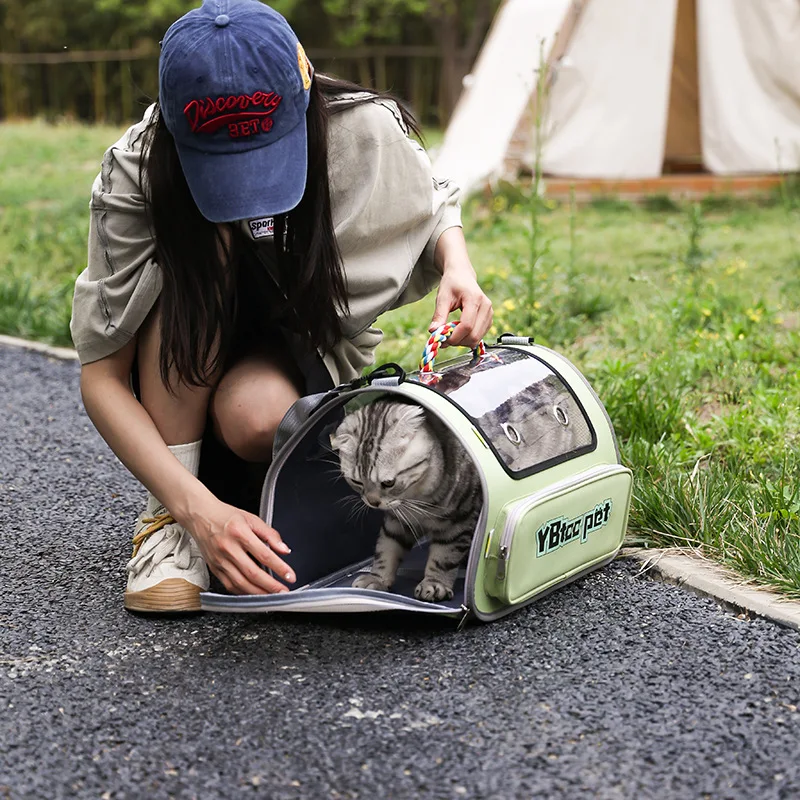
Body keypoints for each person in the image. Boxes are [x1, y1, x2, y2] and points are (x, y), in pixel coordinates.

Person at [70, 0, 493, 614]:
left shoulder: (362, 129)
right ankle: (168, 528)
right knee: (199, 257)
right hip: (174, 366)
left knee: (254, 417)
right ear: (172, 124)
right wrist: (194, 512)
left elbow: (431, 199)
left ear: (306, 85)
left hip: (292, 353)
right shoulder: (137, 167)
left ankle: (258, 483)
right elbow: (102, 376)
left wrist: (458, 264)